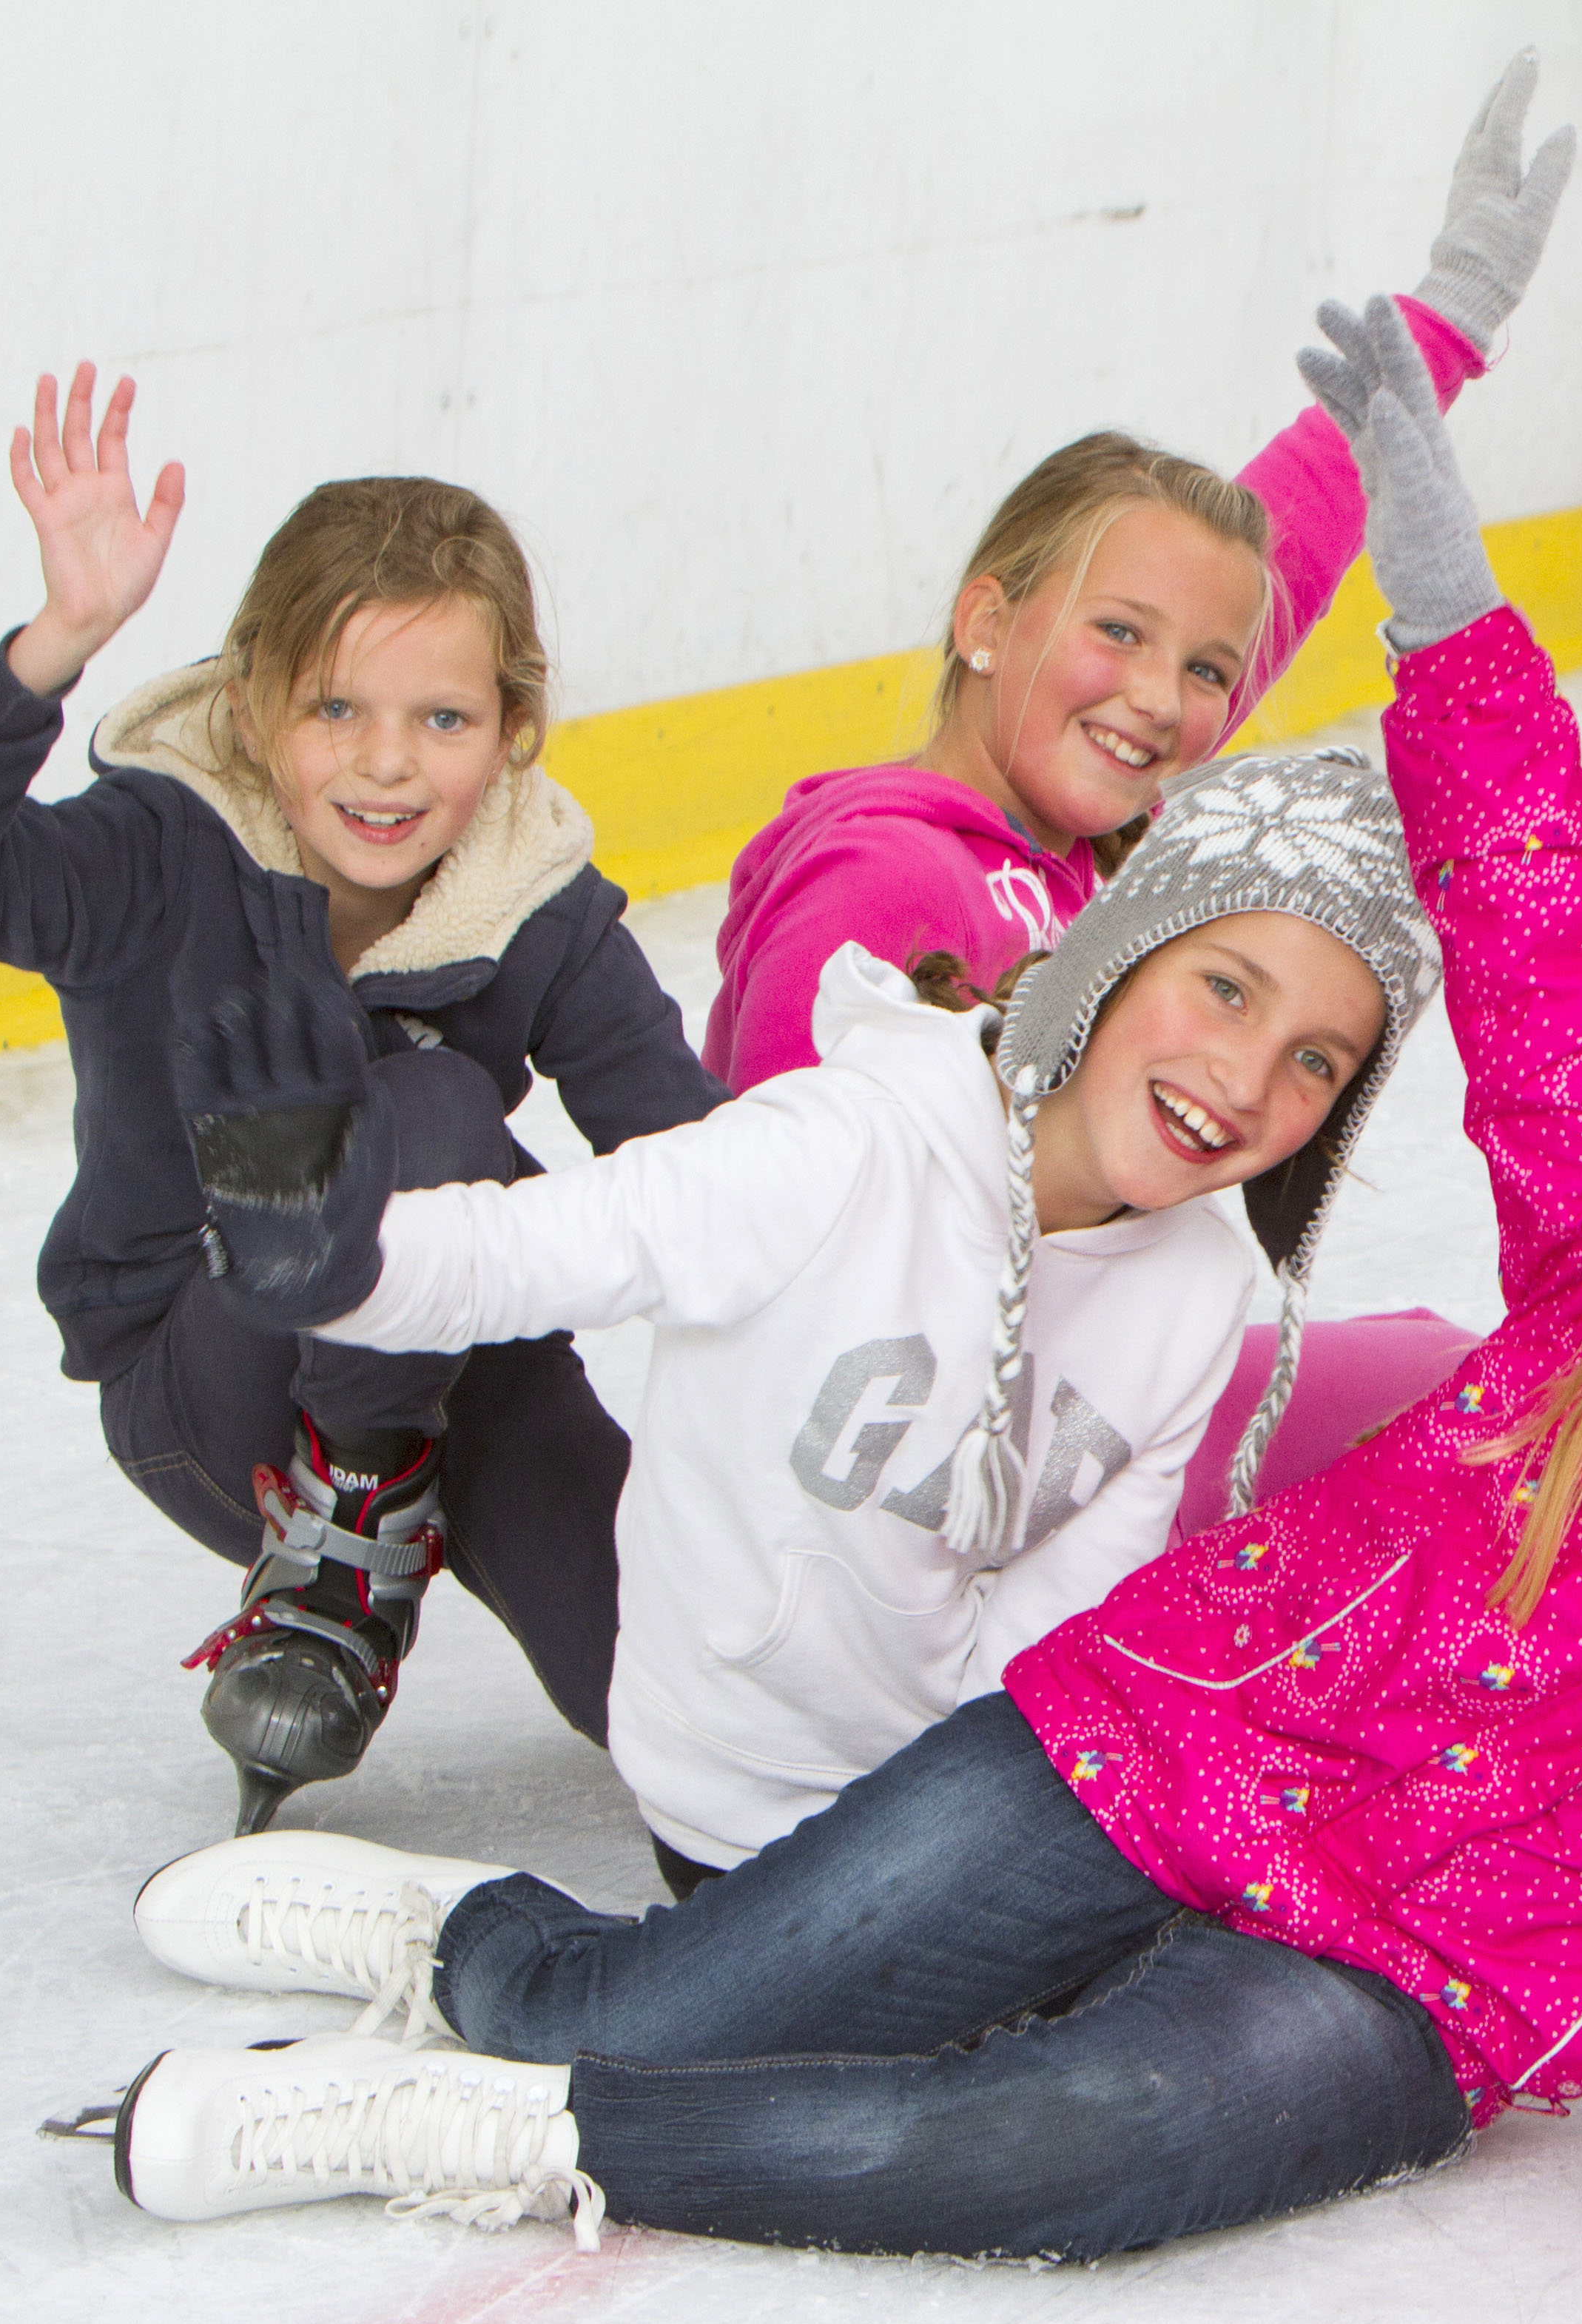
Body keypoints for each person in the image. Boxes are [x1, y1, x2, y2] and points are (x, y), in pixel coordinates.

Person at [80, 295, 1582, 2297]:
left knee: (1060, 2143)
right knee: (698, 1987)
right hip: (1198, 1731)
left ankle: (490, 2121)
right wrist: (1453, 613)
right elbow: (1547, 923)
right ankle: (498, 1960)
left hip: (1421, 1985)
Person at [170, 749, 1440, 1894]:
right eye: (1226, 988)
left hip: (933, 1814)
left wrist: (980, 1836)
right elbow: (550, 1247)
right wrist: (336, 1265)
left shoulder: (1197, 1292)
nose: (1247, 1078)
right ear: (1126, 947)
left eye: (1317, 1061)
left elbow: (1056, 1633)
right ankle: (460, 1939)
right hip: (739, 1816)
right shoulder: (846, 1147)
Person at [0, 368, 721, 1830]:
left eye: (442, 718)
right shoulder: (156, 852)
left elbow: (693, 1157)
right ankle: (332, 1563)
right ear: (250, 710)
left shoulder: (536, 902)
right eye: (335, 709)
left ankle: (444, 1523)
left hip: (452, 1358)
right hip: (208, 1365)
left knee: (686, 1694)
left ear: (512, 730)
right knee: (430, 1111)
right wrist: (54, 644)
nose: (387, 763)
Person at [695, 53, 1572, 1093]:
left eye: (1207, 672)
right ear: (986, 622)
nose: (1162, 701)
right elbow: (766, 1211)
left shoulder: (1093, 838)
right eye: (1117, 632)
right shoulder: (880, 882)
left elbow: (1277, 550)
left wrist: (1452, 316)